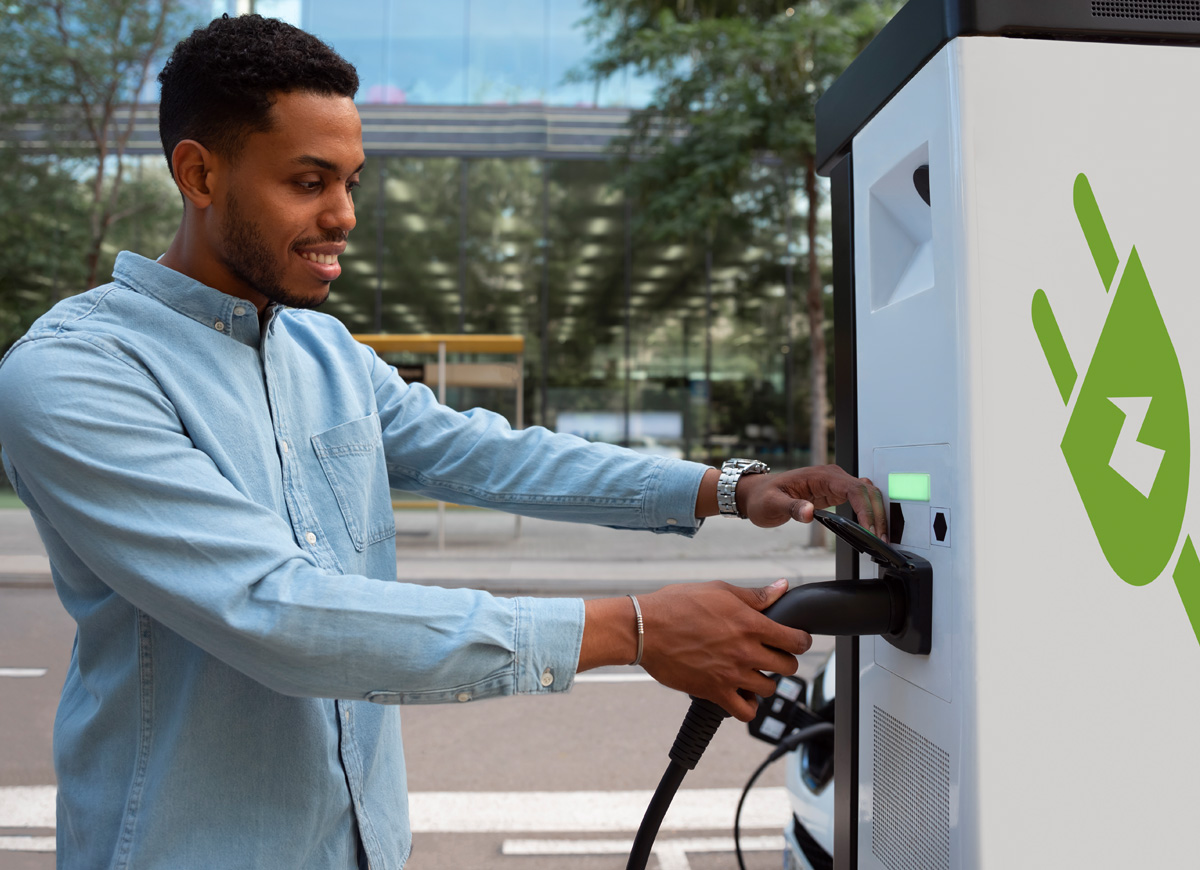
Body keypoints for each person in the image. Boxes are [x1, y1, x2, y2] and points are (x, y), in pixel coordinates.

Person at [0, 14, 886, 870]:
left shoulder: (323, 349)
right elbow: (274, 610)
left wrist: (728, 487)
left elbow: (487, 453)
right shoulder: (77, 374)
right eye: (309, 183)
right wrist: (635, 629)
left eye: (352, 181)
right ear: (198, 174)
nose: (345, 215)